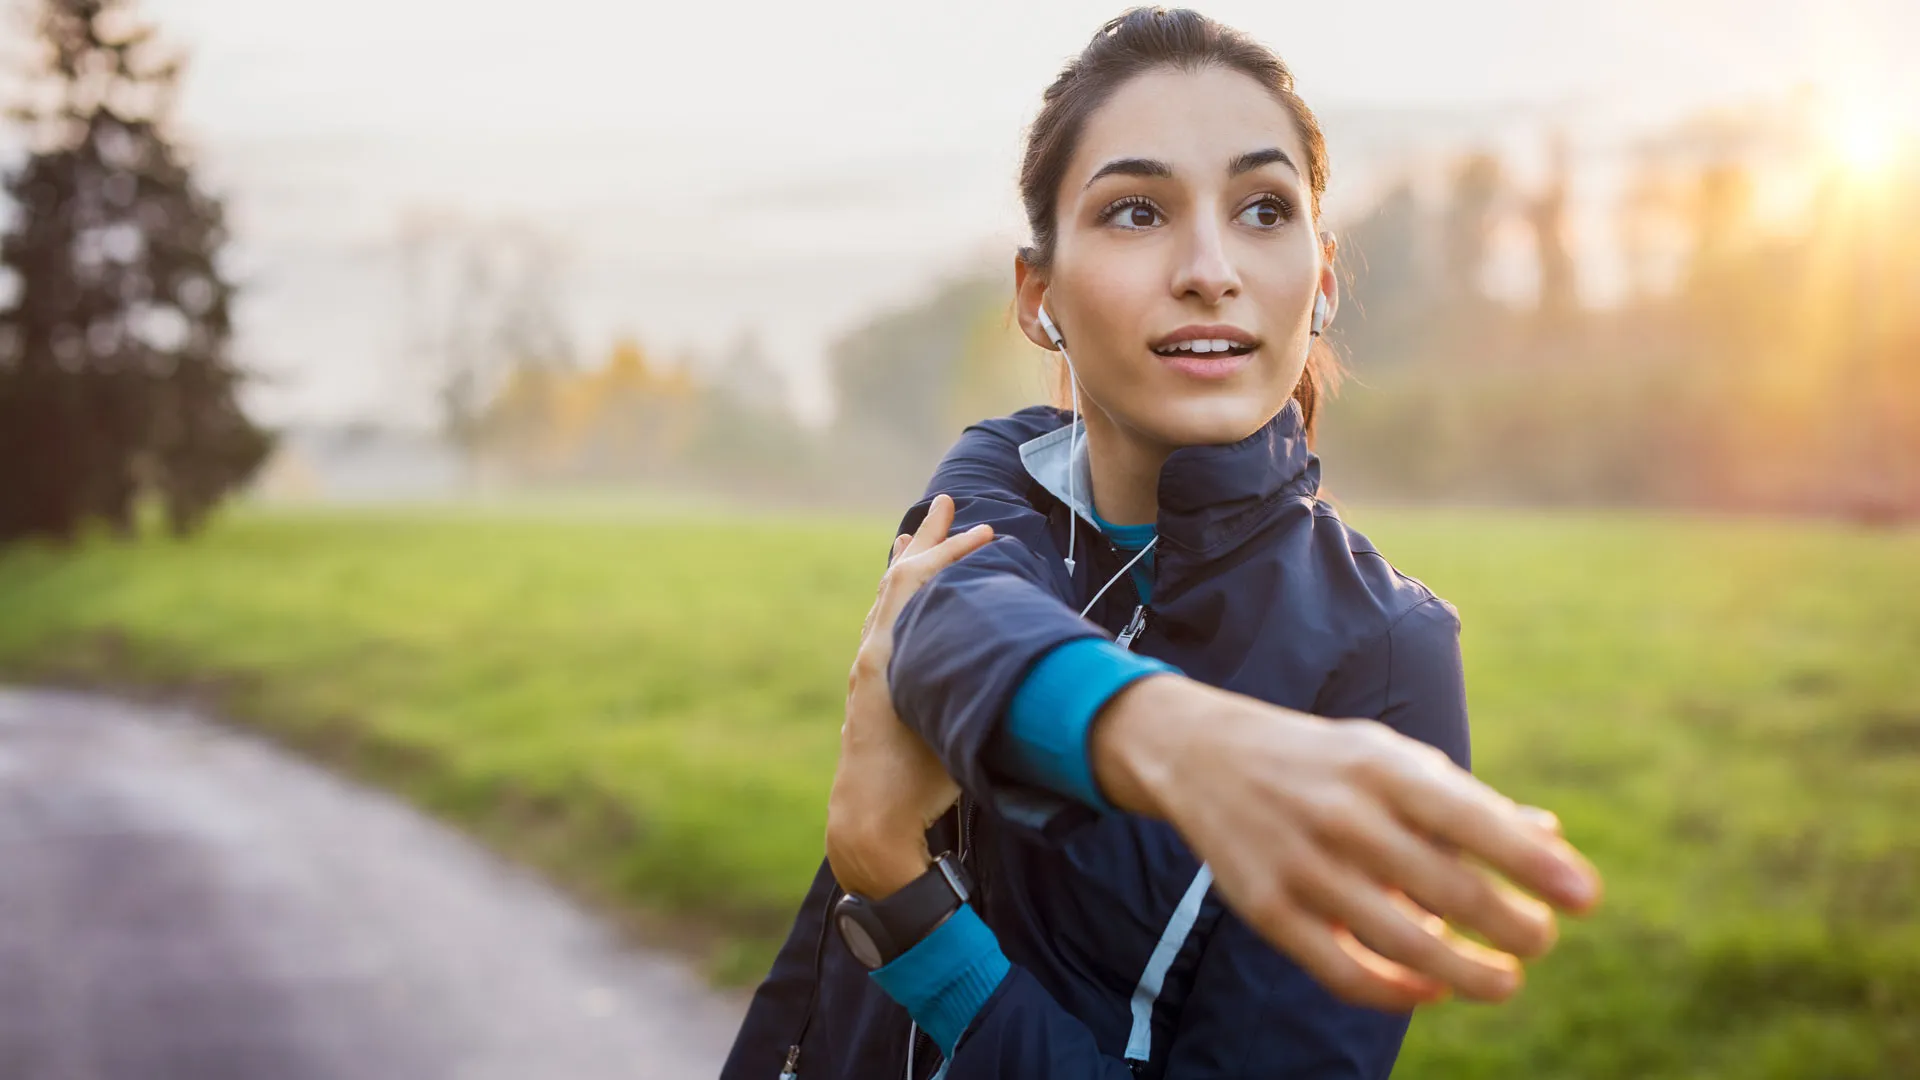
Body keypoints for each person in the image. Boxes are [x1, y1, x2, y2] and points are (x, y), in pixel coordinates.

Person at [721, 9, 1601, 1078]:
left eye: (1263, 209)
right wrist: (1175, 741)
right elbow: (947, 622)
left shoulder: (1387, 653)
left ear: (1320, 282)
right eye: (1138, 211)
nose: (1210, 267)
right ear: (1037, 295)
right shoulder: (1004, 468)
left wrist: (910, 911)